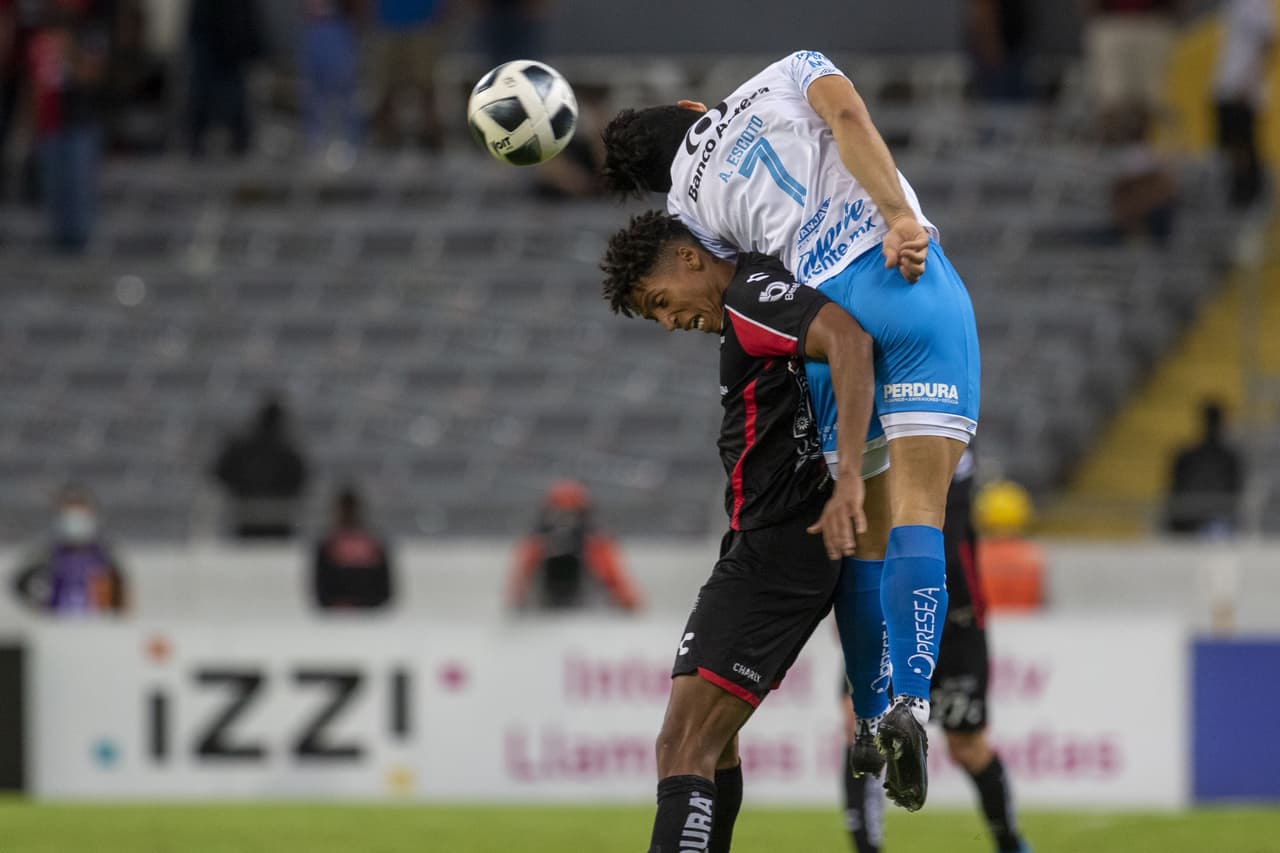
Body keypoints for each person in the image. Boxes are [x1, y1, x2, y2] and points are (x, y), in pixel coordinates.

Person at [600, 49, 981, 811]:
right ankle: (912, 699)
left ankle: (869, 718)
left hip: (826, 323)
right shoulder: (789, 69)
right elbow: (848, 119)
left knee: (860, 536)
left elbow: (743, 292)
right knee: (921, 511)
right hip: (901, 278)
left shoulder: (689, 207)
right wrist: (899, 219)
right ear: (687, 110)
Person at [601, 211, 876, 853]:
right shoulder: (757, 294)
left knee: (682, 744)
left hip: (777, 546)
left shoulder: (751, 297)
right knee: (713, 746)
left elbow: (849, 341)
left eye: (662, 303)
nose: (670, 323)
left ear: (690, 259)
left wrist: (853, 477)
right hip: (765, 542)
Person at [842, 449, 1031, 853]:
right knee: (860, 726)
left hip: (958, 621)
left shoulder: (943, 430)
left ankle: (1010, 843)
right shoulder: (874, 440)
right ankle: (866, 848)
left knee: (968, 747)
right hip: (889, 613)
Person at [28, 0, 107, 253]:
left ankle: (79, 245)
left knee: (79, 191)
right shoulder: (40, 40)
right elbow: (34, 88)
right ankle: (59, 243)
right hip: (49, 126)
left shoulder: (89, 35)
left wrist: (69, 52)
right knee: (55, 192)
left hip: (79, 124)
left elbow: (93, 77)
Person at [507, 479, 641, 612]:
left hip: (565, 607)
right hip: (574, 608)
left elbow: (613, 578)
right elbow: (614, 579)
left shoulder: (593, 542)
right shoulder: (594, 541)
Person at [11, 486, 126, 615]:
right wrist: (40, 607)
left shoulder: (104, 553)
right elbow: (23, 583)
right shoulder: (48, 552)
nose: (75, 518)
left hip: (94, 623)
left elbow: (118, 594)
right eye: (69, 511)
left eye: (80, 511)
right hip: (58, 620)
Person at [211, 394, 310, 539]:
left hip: (251, 516)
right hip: (273, 518)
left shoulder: (242, 447)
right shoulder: (286, 450)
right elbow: (300, 479)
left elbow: (220, 471)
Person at [1084, 0, 1179, 140]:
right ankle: (1113, 141)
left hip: (1153, 21)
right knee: (1113, 97)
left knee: (1153, 98)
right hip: (1111, 21)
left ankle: (1146, 141)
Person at [1213, 0, 1275, 210]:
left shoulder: (1253, 3)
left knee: (1242, 141)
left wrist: (1249, 80)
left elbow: (1267, 40)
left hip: (1241, 85)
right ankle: (1237, 189)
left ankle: (1249, 192)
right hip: (1226, 82)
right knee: (1228, 142)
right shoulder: (1233, 5)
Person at [367, 0, 447, 151]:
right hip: (386, 24)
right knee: (386, 87)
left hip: (424, 22)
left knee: (426, 86)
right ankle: (385, 136)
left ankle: (430, 137)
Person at [186, 0, 261, 158]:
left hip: (230, 42)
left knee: (233, 93)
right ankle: (197, 137)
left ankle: (238, 137)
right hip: (210, 38)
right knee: (203, 92)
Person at [1165, 400, 1244, 535]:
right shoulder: (1186, 457)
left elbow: (1236, 492)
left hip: (1216, 523)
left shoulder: (1230, 459)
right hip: (1187, 523)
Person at [313, 486, 393, 610]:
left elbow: (385, 590)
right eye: (346, 511)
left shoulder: (374, 544)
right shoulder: (326, 546)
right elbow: (321, 590)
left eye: (351, 511)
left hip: (368, 618)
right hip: (336, 618)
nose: (349, 515)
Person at [300, 0, 361, 162]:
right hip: (314, 32)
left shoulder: (339, 32)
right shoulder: (311, 35)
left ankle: (349, 142)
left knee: (343, 90)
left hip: (337, 29)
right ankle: (316, 141)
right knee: (314, 94)